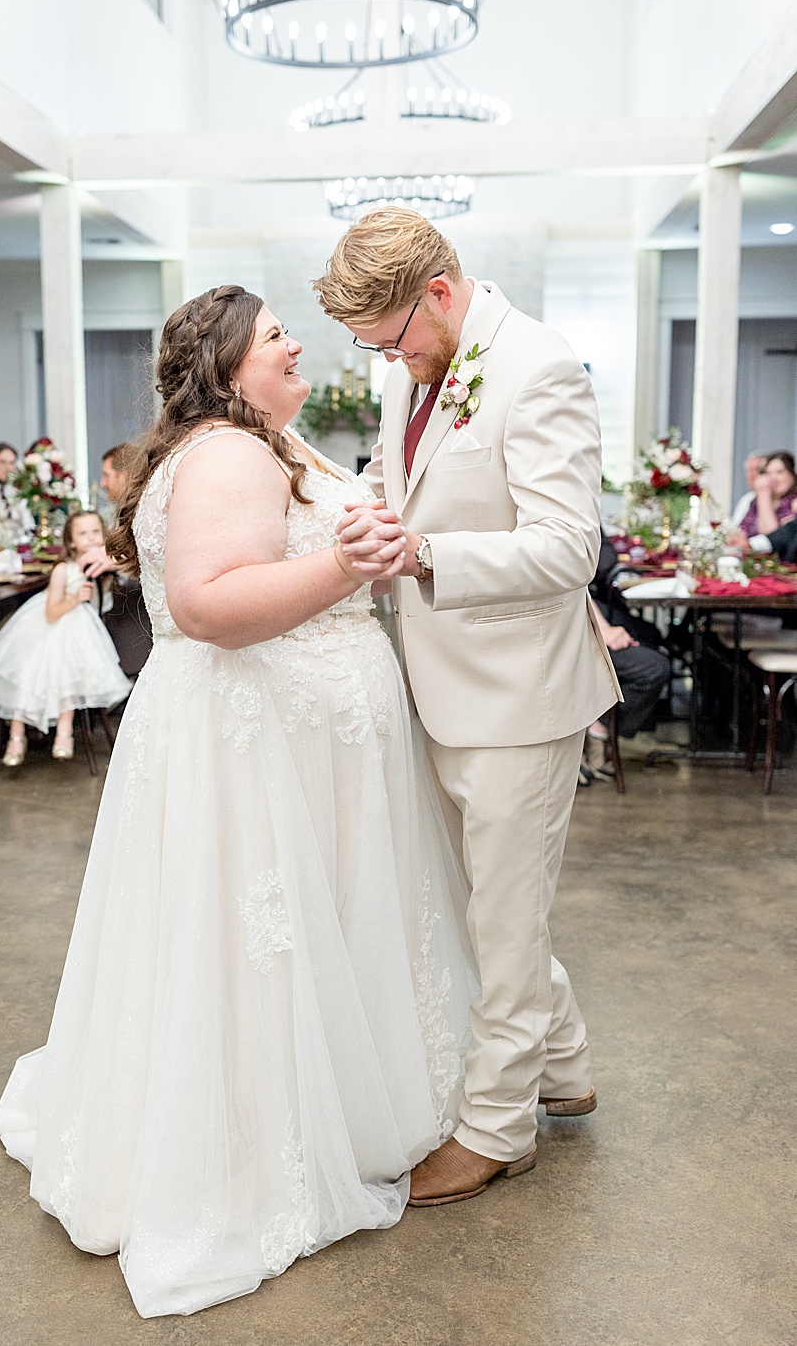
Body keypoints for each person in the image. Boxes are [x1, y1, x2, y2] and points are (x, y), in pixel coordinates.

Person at [0, 284, 476, 1316]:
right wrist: (350, 565)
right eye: (273, 335)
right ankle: (259, 1134)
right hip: (255, 740)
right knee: (257, 941)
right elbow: (208, 605)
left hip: (299, 739)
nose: (296, 343)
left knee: (303, 933)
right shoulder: (227, 453)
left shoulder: (268, 441)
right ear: (225, 365)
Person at [320, 206, 619, 1205]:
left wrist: (426, 554)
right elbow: (396, 476)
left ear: (439, 293)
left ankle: (499, 1128)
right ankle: (565, 1061)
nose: (389, 362)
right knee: (494, 904)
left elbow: (568, 547)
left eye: (394, 339)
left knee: (499, 917)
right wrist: (358, 509)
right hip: (438, 680)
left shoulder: (535, 367)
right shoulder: (421, 364)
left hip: (517, 695)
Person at [0, 510, 131, 766]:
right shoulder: (63, 570)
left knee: (70, 667)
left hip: (80, 628)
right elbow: (52, 613)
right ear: (71, 541)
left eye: (96, 531)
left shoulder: (103, 566)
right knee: (32, 668)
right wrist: (76, 598)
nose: (90, 538)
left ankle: (65, 732)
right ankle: (17, 736)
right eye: (83, 533)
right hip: (49, 623)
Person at [583, 531, 671, 780]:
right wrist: (604, 629)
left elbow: (605, 560)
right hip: (574, 618)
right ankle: (599, 730)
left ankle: (615, 724)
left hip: (593, 605)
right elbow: (576, 584)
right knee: (654, 668)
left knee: (651, 634)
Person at [84, 444, 154, 688]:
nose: (102, 483)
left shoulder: (145, 505)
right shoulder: (126, 506)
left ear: (124, 475)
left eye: (106, 475)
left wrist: (118, 561)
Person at [730, 448, 797, 551]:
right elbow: (741, 531)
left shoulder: (793, 503)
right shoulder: (754, 502)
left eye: (780, 472)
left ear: (792, 474)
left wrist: (764, 494)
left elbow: (772, 539)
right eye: (769, 473)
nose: (773, 478)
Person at [0, 442, 28, 540]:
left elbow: (28, 524)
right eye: (2, 462)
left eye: (11, 463)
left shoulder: (18, 489)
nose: (7, 468)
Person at [731, 452, 768, 526]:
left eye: (757, 469)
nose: (752, 474)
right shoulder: (746, 499)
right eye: (749, 470)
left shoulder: (775, 501)